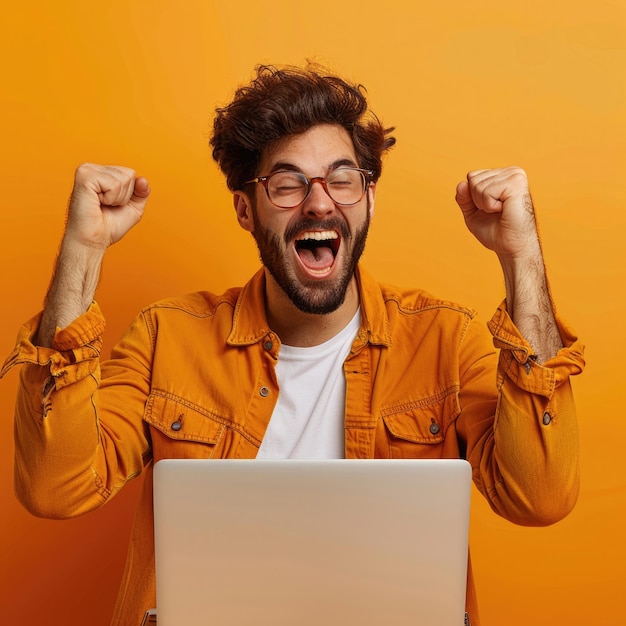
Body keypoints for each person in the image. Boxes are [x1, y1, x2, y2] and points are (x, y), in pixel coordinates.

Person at [1, 64, 585, 626]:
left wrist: (521, 255)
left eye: (341, 178)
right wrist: (83, 249)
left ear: (369, 199)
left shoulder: (445, 340)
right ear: (245, 210)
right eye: (286, 184)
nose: (319, 201)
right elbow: (57, 486)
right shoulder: (167, 336)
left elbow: (539, 497)